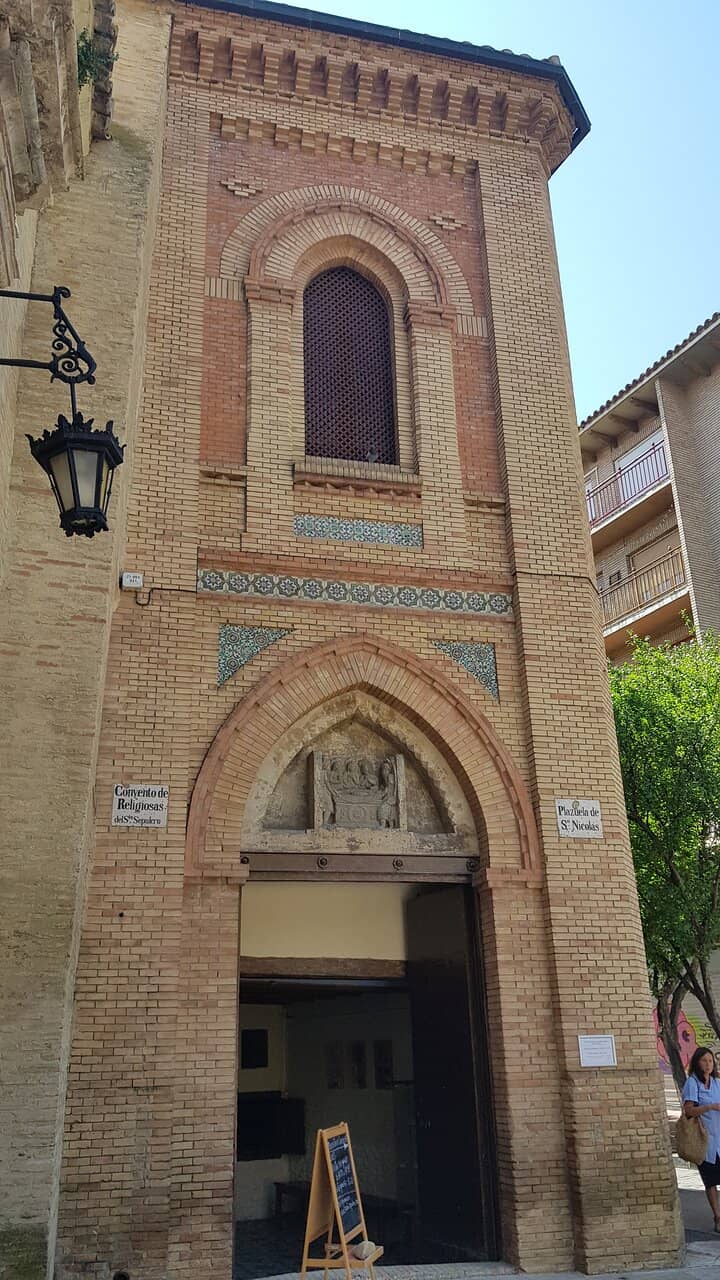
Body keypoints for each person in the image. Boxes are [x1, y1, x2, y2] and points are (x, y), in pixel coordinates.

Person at [682, 1045, 720, 1231]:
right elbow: (688, 1111)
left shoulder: (717, 1083)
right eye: (704, 1060)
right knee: (711, 1180)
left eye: (711, 1061)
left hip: (719, 1137)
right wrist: (710, 1107)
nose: (708, 1064)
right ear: (697, 1062)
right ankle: (717, 1217)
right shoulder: (692, 1083)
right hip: (704, 1141)